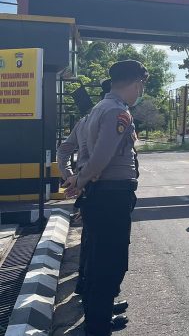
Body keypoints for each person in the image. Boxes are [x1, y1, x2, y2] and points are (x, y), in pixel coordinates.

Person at [64, 60, 146, 336]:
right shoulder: (117, 112)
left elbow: (91, 154)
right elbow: (101, 156)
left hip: (103, 195)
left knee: (99, 259)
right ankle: (98, 327)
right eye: (141, 85)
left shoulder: (101, 108)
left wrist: (81, 180)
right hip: (111, 197)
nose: (140, 91)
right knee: (109, 262)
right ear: (136, 83)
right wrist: (80, 181)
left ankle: (97, 319)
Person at [57, 79, 112, 297]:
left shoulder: (84, 121)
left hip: (87, 188)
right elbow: (99, 160)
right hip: (103, 189)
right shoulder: (107, 120)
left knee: (90, 241)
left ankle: (84, 286)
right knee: (102, 246)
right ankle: (96, 297)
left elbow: (63, 151)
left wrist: (71, 177)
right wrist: (77, 180)